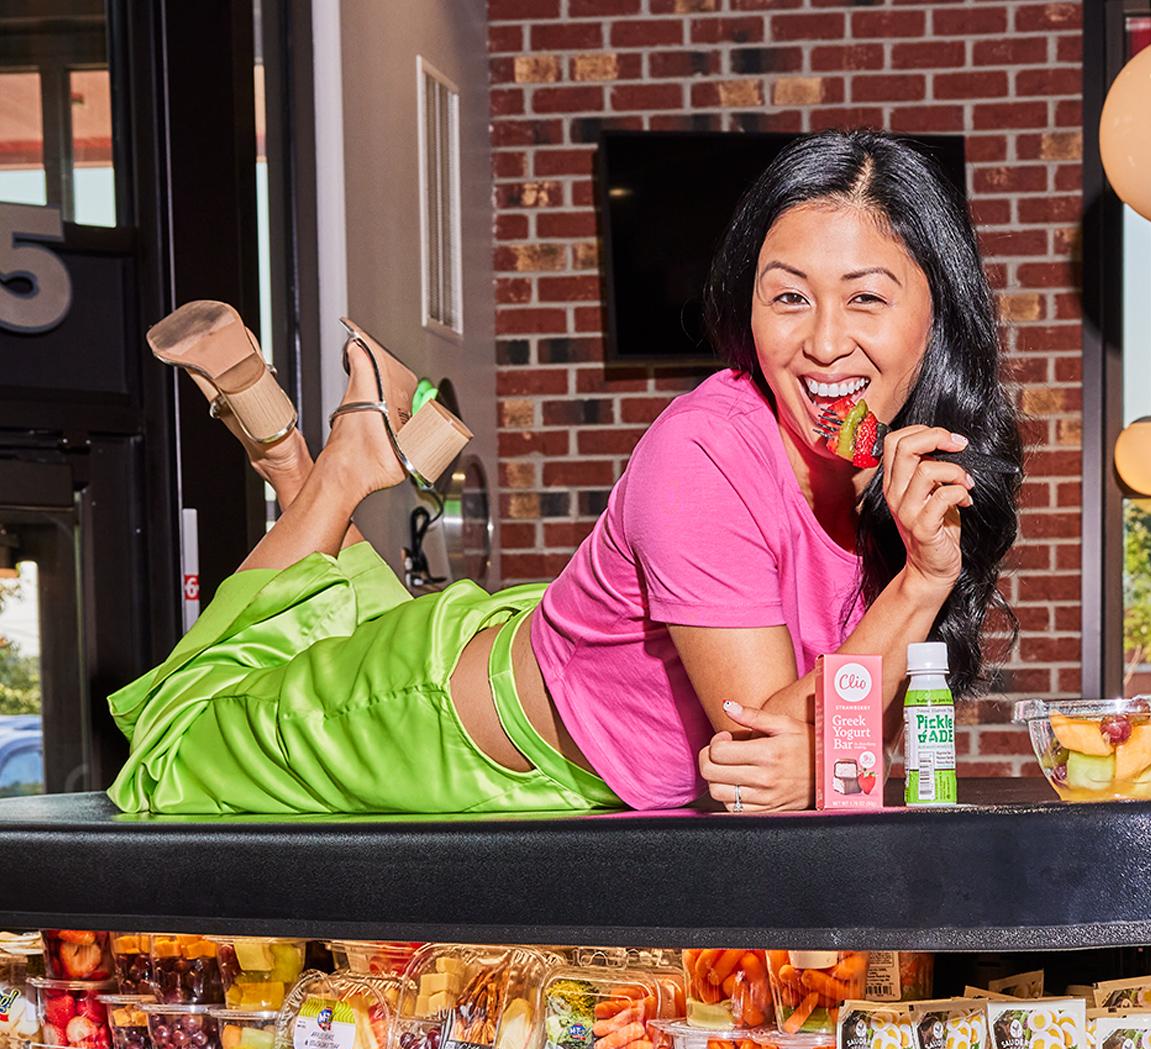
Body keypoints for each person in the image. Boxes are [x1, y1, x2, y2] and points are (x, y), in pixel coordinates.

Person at [109, 129, 1022, 816]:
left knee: (309, 628)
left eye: (866, 296)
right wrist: (918, 588)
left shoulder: (903, 468)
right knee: (175, 743)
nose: (825, 341)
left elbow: (848, 736)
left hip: (551, 665)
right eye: (788, 296)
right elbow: (764, 752)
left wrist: (831, 737)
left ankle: (296, 455)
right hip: (435, 725)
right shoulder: (704, 452)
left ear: (937, 314)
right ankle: (339, 464)